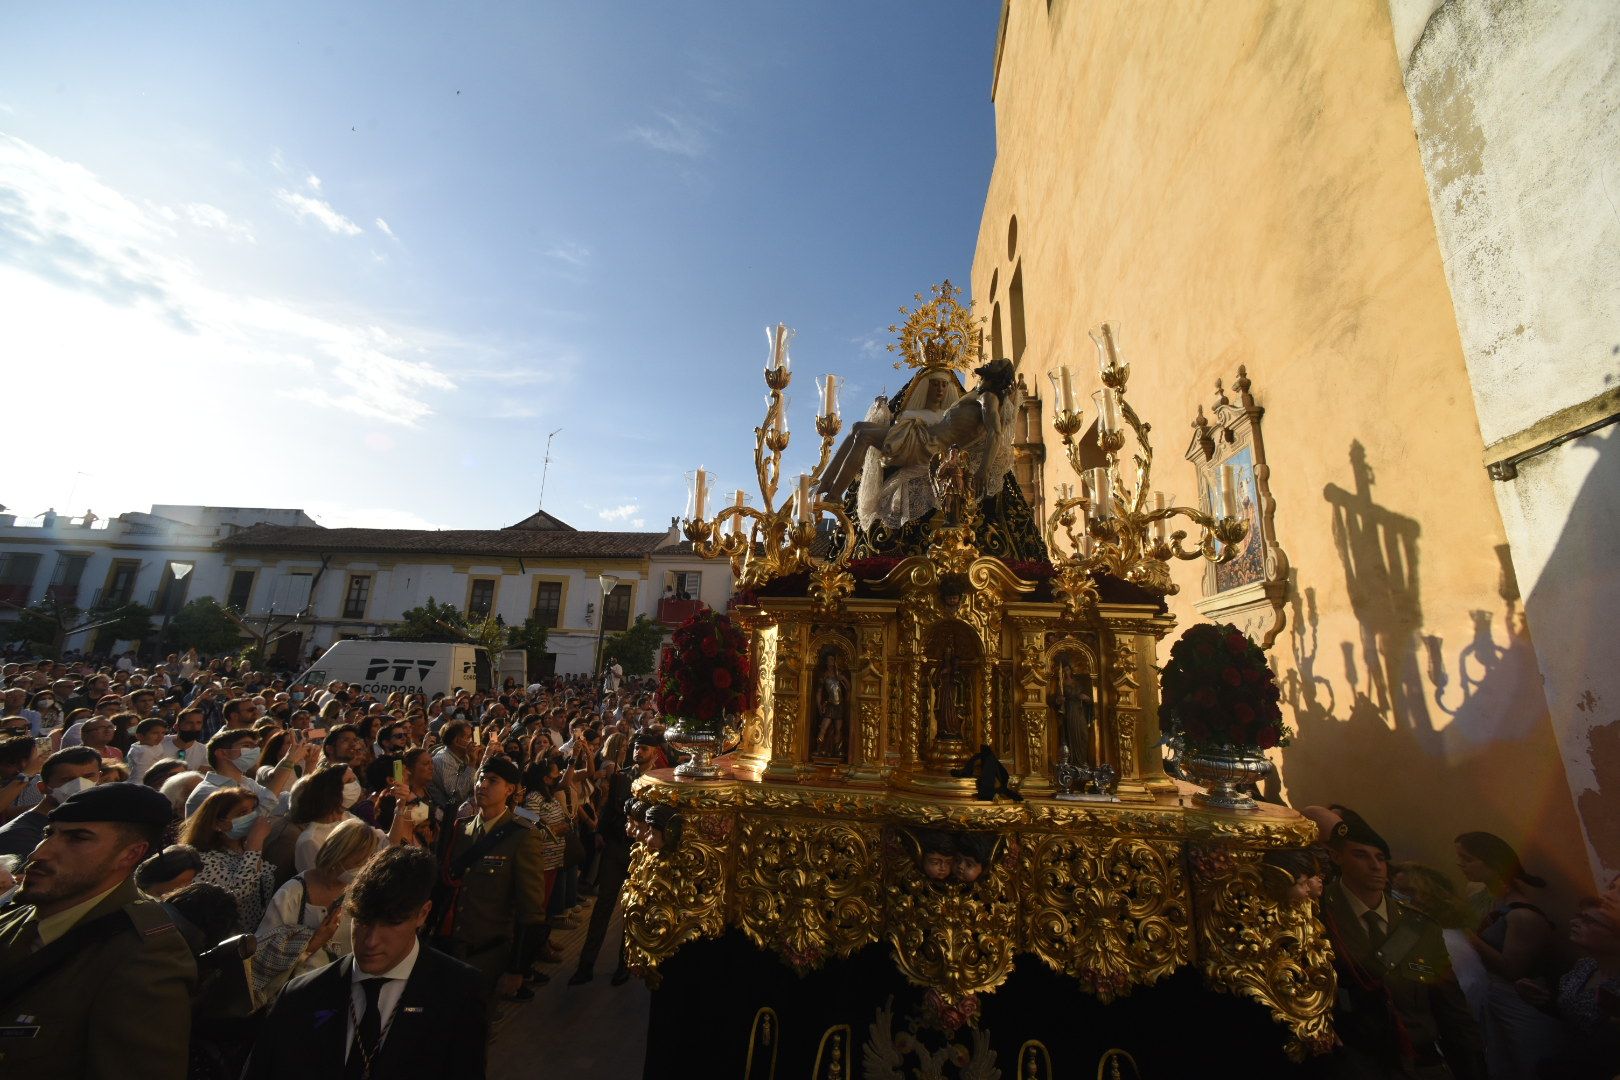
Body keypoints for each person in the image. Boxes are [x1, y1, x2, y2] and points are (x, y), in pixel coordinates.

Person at [0, 783, 195, 1080]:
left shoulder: (144, 956)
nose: (41, 852)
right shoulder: (16, 915)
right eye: (48, 833)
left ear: (129, 855)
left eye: (77, 838)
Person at [243, 846, 488, 1080]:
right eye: (362, 921)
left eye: (391, 923)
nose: (370, 941)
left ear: (422, 914)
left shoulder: (459, 993)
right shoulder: (301, 995)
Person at [1322, 813, 1485, 1079]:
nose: (1375, 866)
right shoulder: (1319, 919)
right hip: (1356, 1064)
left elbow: (1451, 1009)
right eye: (1360, 855)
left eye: (1380, 858)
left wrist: (1472, 1069)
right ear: (1337, 857)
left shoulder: (1417, 926)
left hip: (1421, 1061)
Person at [436, 756, 548, 1006]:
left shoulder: (523, 836)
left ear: (510, 790)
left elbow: (530, 911)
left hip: (487, 955)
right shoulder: (462, 829)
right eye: (480, 779)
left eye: (492, 781)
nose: (482, 785)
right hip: (450, 948)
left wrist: (517, 968)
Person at [251, 818, 377, 1003]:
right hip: (295, 995)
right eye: (358, 862)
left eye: (367, 860)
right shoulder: (293, 892)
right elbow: (265, 956)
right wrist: (313, 941)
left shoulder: (359, 892)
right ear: (339, 854)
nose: (362, 868)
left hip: (340, 994)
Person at [179, 789, 277, 933]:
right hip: (229, 942)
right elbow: (236, 897)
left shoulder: (244, 849)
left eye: (253, 809)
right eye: (243, 813)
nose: (252, 816)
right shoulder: (204, 860)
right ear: (217, 824)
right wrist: (255, 845)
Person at [0, 746, 102, 860]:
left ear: (100, 778)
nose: (80, 785)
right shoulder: (19, 836)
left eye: (88, 777)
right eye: (67, 779)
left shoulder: (96, 823)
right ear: (43, 788)